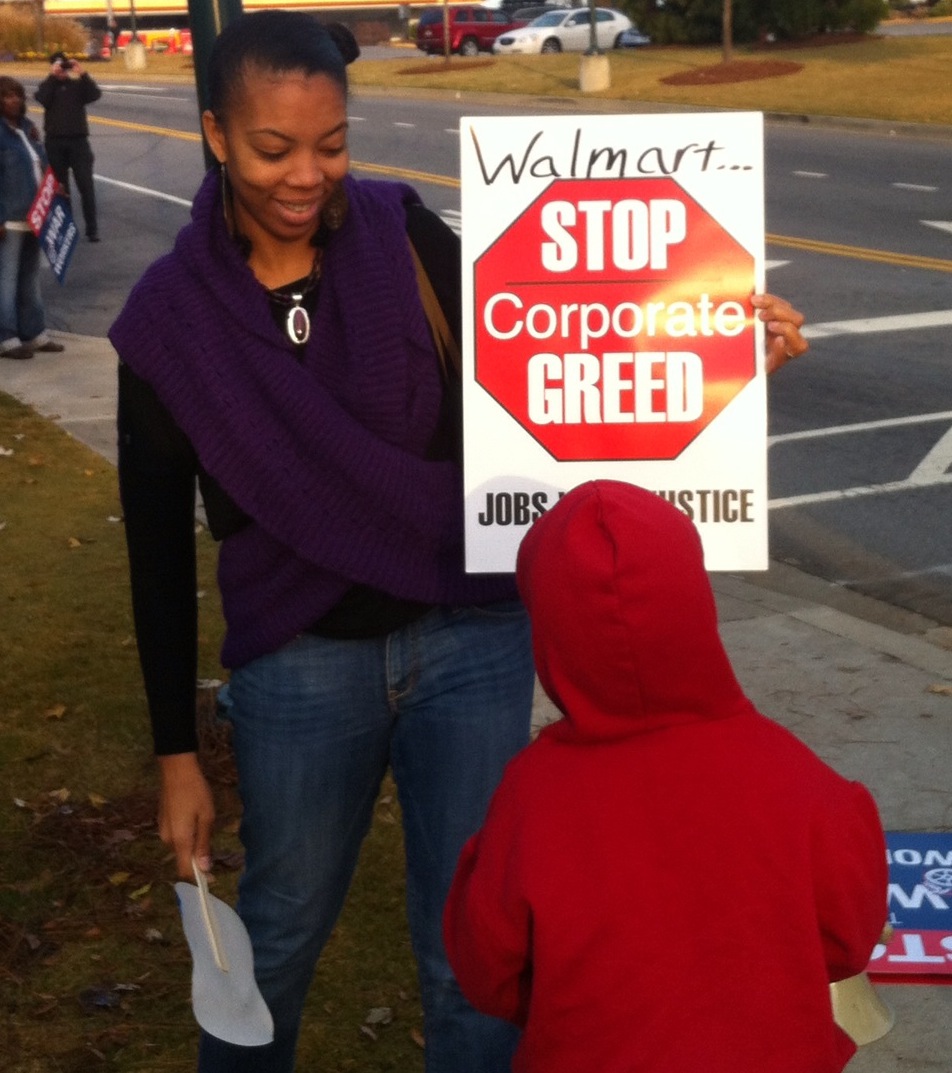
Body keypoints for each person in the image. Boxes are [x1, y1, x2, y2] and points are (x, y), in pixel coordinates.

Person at [108, 10, 809, 1072]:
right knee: (281, 933)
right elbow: (155, 554)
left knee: (477, 952)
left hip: (472, 640)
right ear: (215, 134)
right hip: (299, 667)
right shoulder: (172, 322)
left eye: (332, 144)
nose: (308, 174)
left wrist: (721, 356)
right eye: (273, 148)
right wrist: (174, 754)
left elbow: (565, 370)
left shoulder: (407, 240)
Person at [443, 479, 888, 1073]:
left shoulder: (531, 796)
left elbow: (488, 971)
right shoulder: (800, 779)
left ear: (548, 627)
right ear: (695, 599)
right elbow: (847, 941)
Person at [0, 76, 65, 360]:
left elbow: (40, 164)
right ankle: (6, 338)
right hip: (10, 219)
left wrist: (55, 186)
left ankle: (34, 333)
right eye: (6, 96)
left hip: (37, 216)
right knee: (7, 280)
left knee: (30, 278)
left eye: (17, 95)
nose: (14, 101)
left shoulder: (27, 129)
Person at [34, 52, 101, 242]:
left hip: (79, 142)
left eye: (63, 65)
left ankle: (92, 229)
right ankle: (66, 228)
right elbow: (41, 98)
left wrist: (82, 74)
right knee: (61, 188)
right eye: (57, 65)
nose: (61, 69)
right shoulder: (48, 86)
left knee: (86, 186)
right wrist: (52, 76)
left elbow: (95, 94)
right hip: (55, 143)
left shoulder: (77, 86)